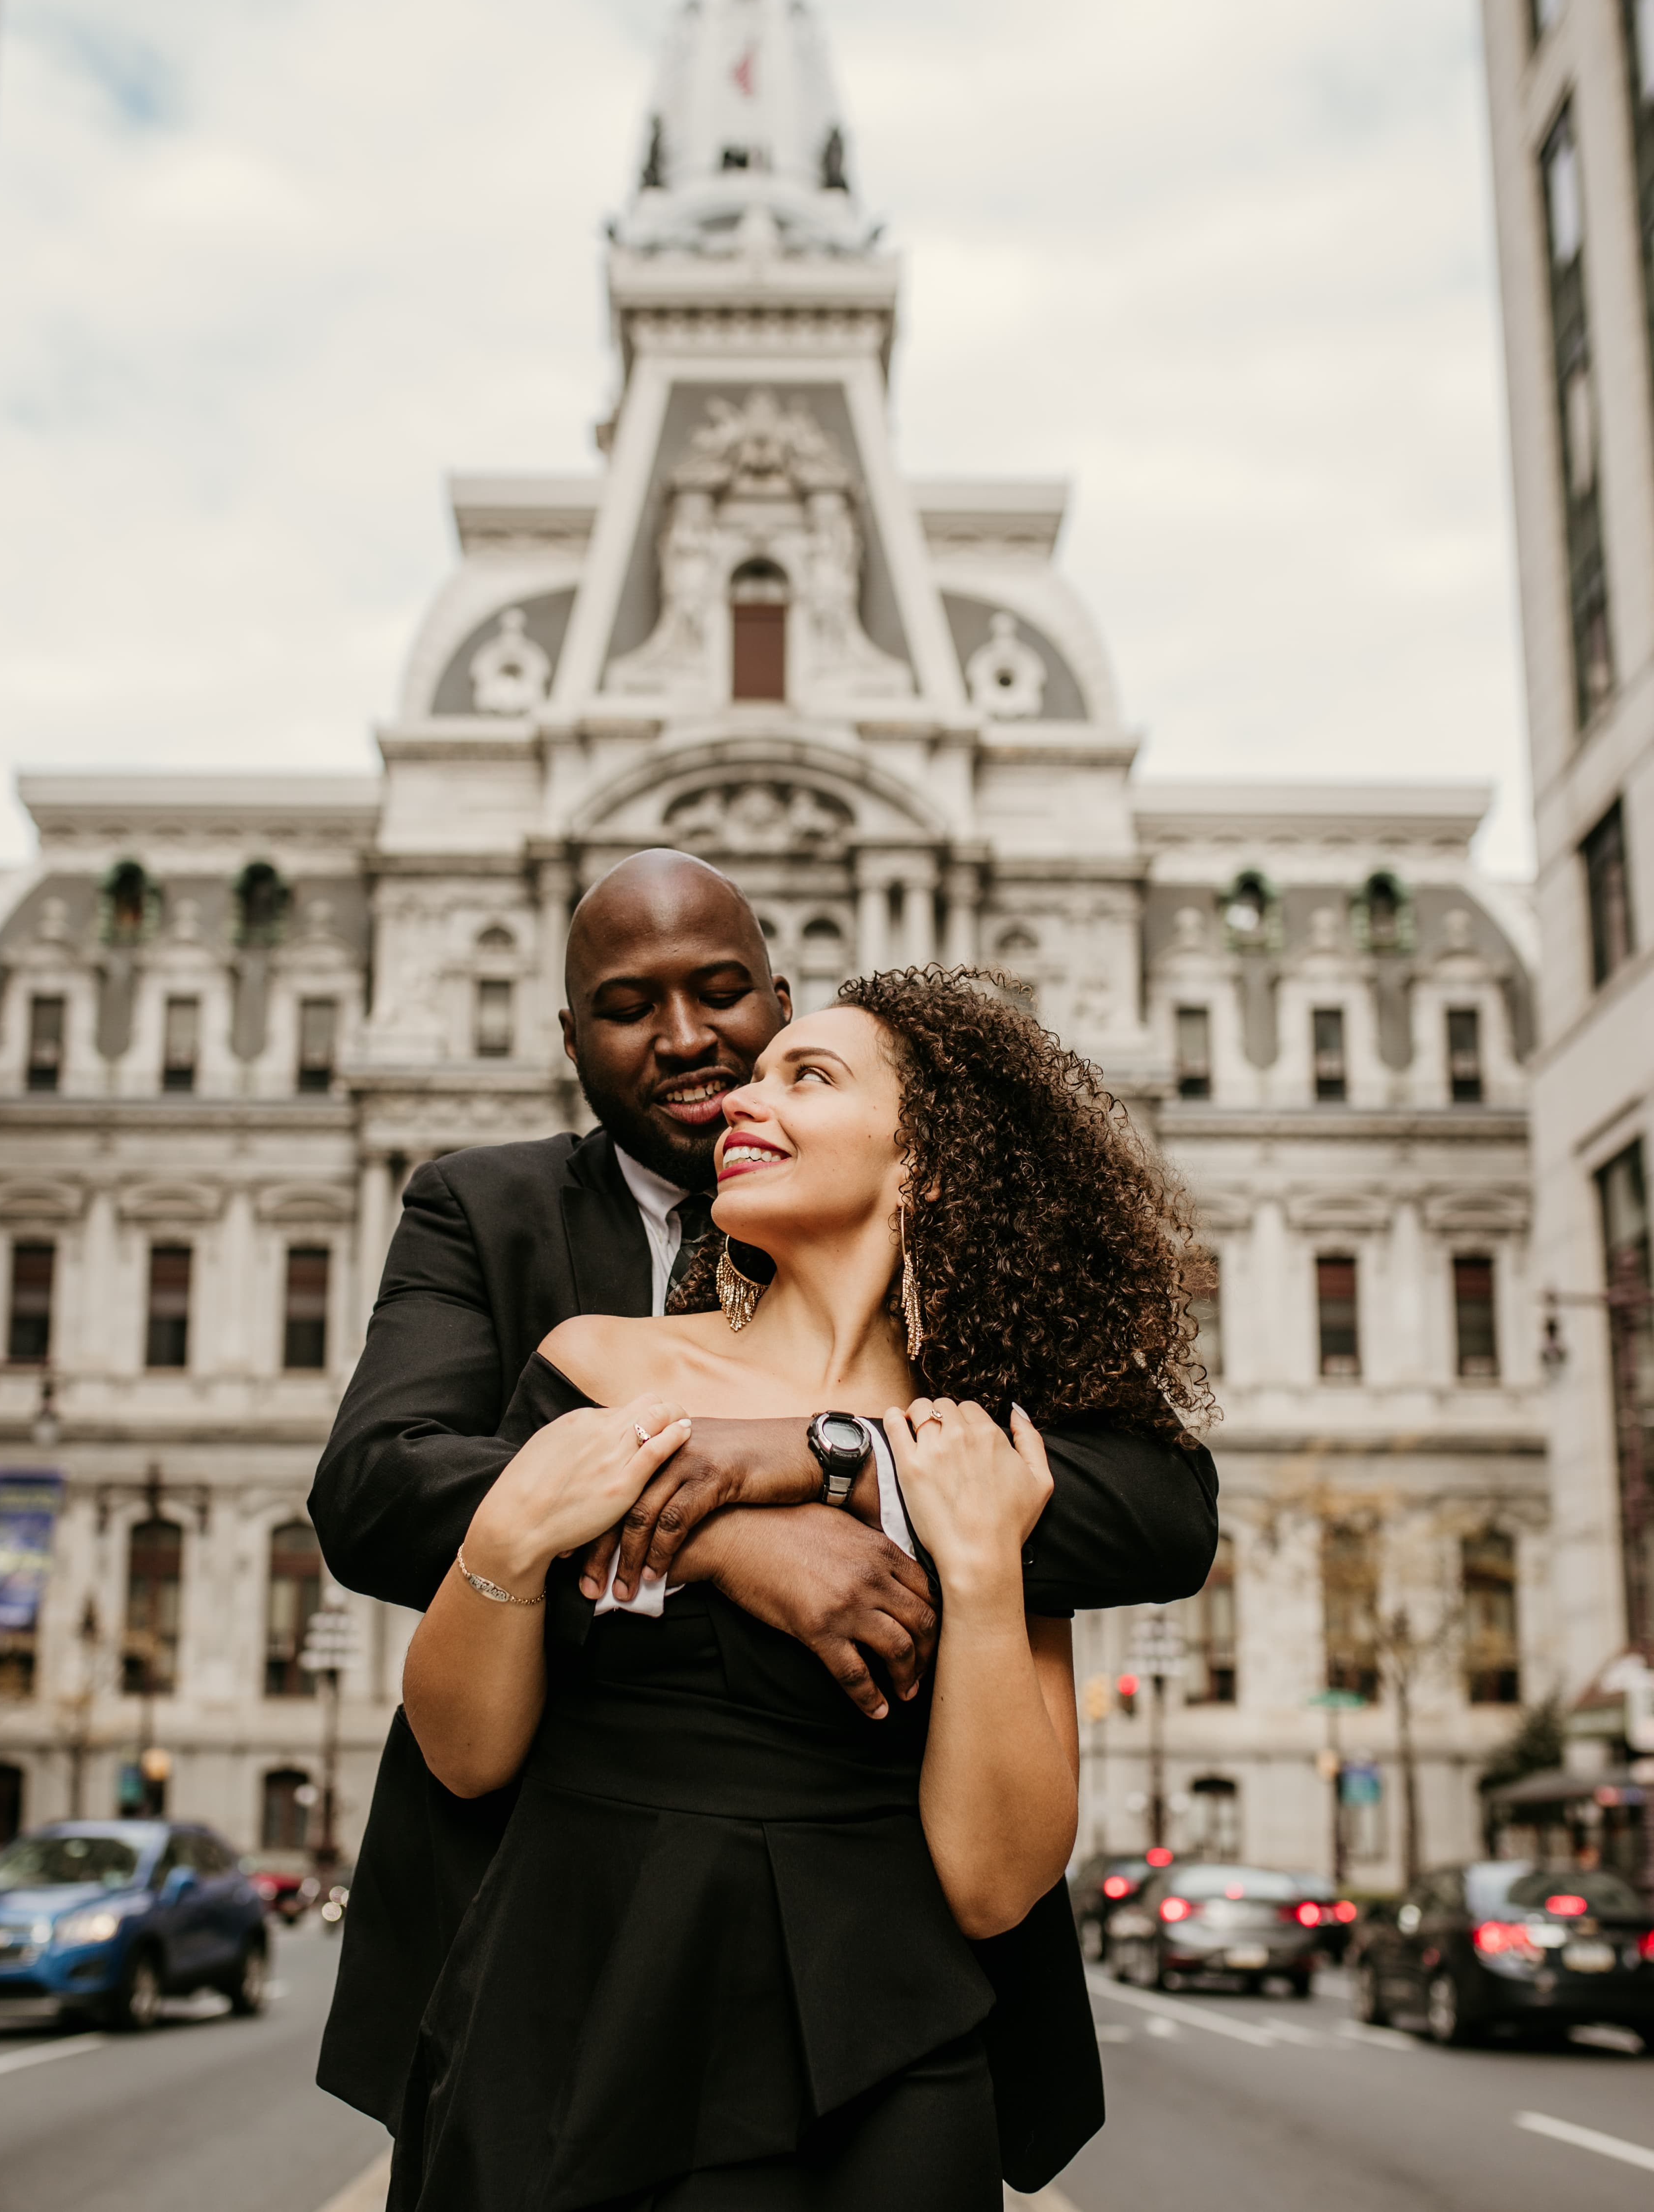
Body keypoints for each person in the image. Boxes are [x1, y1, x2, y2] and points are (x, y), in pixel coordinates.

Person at [311, 851, 1219, 2143]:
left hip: (881, 2025)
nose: (694, 1045)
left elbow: (1158, 1514)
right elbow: (375, 1489)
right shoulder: (513, 1255)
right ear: (569, 1037)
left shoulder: (983, 1428)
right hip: (551, 1955)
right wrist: (723, 1525)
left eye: (745, 1014)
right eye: (630, 1007)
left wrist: (837, 1460)